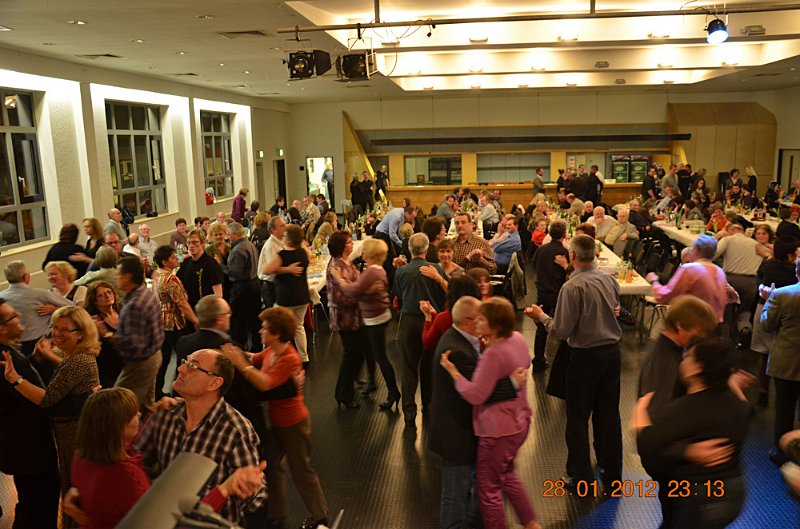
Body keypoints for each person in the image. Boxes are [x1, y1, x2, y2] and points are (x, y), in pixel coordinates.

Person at [70, 389, 260, 529]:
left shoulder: (82, 457)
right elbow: (172, 521)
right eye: (134, 414)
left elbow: (126, 446)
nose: (139, 414)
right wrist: (225, 489)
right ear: (120, 427)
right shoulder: (127, 476)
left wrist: (153, 414)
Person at [525, 234, 623, 489]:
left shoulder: (571, 287)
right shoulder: (609, 279)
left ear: (573, 256)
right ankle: (613, 473)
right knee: (609, 416)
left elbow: (560, 331)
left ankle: (582, 478)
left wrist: (541, 317)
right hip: (612, 354)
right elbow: (615, 311)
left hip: (585, 357)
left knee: (578, 419)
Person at [128, 348, 267, 524]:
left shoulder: (235, 431)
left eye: (193, 366)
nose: (180, 369)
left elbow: (256, 498)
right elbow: (137, 463)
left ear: (214, 383)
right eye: (184, 362)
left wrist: (249, 486)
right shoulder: (166, 413)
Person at [221, 308, 329, 529]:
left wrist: (241, 364)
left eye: (264, 328)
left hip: (294, 425)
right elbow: (254, 358)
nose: (260, 331)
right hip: (277, 423)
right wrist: (235, 353)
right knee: (271, 467)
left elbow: (265, 383)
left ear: (277, 333)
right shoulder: (272, 351)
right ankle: (275, 513)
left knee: (301, 471)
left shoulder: (289, 358)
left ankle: (320, 515)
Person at [440, 297, 541, 529]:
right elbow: (524, 363)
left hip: (497, 431)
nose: (477, 322)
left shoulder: (493, 354)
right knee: (507, 475)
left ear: (494, 325)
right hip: (520, 422)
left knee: (489, 489)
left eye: (482, 319)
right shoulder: (517, 339)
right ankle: (531, 523)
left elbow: (476, 395)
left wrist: (455, 373)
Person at [635, 338, 751, 529]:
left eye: (688, 357)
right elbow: (746, 412)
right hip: (734, 493)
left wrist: (640, 411)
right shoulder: (736, 404)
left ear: (697, 368)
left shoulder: (683, 410)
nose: (684, 360)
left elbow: (648, 446)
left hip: (699, 499)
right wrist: (736, 388)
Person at [1, 306, 100, 501]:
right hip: (31, 443)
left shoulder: (78, 361)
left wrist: (16, 379)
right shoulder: (71, 357)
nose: (56, 333)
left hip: (73, 434)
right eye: (55, 327)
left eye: (64, 329)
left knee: (75, 488)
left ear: (81, 334)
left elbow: (48, 399)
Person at [0, 299, 61, 529]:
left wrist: (36, 359)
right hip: (29, 449)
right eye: (12, 316)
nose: (18, 316)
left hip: (18, 446)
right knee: (38, 507)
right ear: (2, 328)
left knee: (31, 503)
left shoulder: (10, 354)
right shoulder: (6, 359)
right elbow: (41, 400)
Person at [332, 238, 400, 410]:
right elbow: (366, 290)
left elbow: (353, 290)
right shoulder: (378, 270)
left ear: (369, 254)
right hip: (375, 317)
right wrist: (366, 292)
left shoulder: (371, 272)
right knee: (370, 352)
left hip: (374, 319)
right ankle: (373, 383)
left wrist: (340, 279)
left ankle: (393, 392)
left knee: (380, 357)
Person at [394, 233, 447, 425]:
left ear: (410, 249)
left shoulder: (401, 272)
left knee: (408, 368)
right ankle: (428, 404)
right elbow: (444, 296)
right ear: (426, 249)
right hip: (431, 320)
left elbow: (398, 296)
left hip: (409, 321)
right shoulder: (436, 269)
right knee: (429, 365)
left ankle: (409, 413)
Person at [98, 256, 163, 411]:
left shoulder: (134, 306)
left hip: (141, 363)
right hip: (154, 355)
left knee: (119, 405)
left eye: (118, 274)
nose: (115, 278)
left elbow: (133, 344)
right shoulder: (146, 293)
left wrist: (106, 334)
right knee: (146, 405)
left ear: (127, 277)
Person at [750, 237, 800, 406]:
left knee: (764, 354)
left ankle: (763, 390)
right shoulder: (793, 270)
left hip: (764, 307)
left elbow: (758, 280)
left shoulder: (767, 265)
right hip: (790, 313)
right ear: (790, 255)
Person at [760, 258, 800, 466]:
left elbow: (766, 325)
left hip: (786, 362)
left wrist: (768, 300)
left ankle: (782, 453)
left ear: (797, 271)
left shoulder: (782, 294)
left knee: (784, 410)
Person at [326, 230, 370, 408]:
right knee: (351, 355)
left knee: (358, 353)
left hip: (355, 316)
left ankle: (350, 381)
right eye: (349, 241)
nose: (352, 244)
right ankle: (343, 394)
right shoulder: (336, 267)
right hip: (346, 318)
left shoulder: (346, 262)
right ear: (341, 246)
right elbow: (341, 296)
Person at [648, 235, 730, 325]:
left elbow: (665, 296)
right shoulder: (720, 272)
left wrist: (654, 281)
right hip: (713, 324)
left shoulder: (690, 269)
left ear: (695, 250)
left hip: (692, 324)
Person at [151, 245, 198, 399]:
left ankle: (157, 393)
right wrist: (195, 320)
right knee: (183, 357)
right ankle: (179, 392)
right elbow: (182, 303)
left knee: (164, 359)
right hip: (173, 323)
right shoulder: (171, 279)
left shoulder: (157, 275)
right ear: (165, 262)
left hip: (161, 322)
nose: (177, 258)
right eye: (173, 257)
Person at [0, 260, 72, 356]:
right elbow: (73, 308)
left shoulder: (1, 297)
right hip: (40, 347)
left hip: (9, 349)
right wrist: (55, 309)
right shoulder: (41, 294)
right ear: (26, 277)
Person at [263, 224, 311, 364]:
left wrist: (285, 269)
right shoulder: (303, 252)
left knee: (278, 328)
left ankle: (279, 357)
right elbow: (309, 255)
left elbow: (267, 270)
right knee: (299, 327)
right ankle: (304, 357)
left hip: (286, 297)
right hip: (302, 296)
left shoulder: (282, 255)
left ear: (288, 239)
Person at [715, 223, 762, 345]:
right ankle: (744, 329)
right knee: (744, 310)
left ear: (730, 231)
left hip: (731, 280)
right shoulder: (756, 244)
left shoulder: (727, 240)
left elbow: (713, 254)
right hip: (751, 282)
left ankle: (724, 340)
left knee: (726, 311)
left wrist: (716, 239)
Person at [532, 220, 569, 372]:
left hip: (542, 292)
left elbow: (533, 265)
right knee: (562, 328)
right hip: (558, 295)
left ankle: (538, 359)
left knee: (541, 327)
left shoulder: (541, 250)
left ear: (549, 233)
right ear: (565, 235)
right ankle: (561, 364)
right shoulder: (564, 253)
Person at [224, 222, 261, 351]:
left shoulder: (237, 250)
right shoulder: (249, 244)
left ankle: (240, 347)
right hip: (255, 283)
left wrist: (220, 265)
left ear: (235, 234)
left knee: (238, 319)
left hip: (243, 287)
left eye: (229, 234)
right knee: (253, 318)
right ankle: (256, 346)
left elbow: (234, 273)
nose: (228, 237)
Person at [83, 281, 123, 389]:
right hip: (107, 369)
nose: (107, 296)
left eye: (109, 292)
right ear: (94, 301)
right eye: (101, 295)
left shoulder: (121, 309)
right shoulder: (92, 320)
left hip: (127, 363)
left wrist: (107, 334)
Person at [176, 229, 224, 311]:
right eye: (189, 243)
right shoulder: (186, 263)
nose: (191, 246)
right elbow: (178, 283)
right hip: (191, 310)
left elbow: (218, 294)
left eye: (195, 242)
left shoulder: (210, 263)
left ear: (203, 243)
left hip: (207, 310)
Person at [258, 216, 286, 312]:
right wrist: (290, 269)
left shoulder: (281, 241)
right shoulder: (271, 246)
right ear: (273, 230)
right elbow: (273, 269)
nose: (285, 227)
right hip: (270, 287)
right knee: (275, 315)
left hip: (277, 284)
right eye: (282, 226)